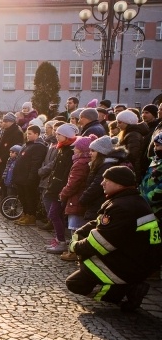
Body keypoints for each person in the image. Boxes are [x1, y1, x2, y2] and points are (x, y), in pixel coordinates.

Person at [66, 166, 161, 312]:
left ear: (120, 183)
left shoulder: (122, 206)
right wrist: (80, 232)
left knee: (76, 283)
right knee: (85, 262)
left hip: (132, 263)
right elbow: (98, 223)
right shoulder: (129, 200)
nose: (102, 183)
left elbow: (100, 243)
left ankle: (128, 290)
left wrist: (75, 246)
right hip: (139, 259)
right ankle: (127, 287)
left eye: (107, 180)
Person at [58, 135, 97, 260]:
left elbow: (73, 183)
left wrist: (63, 194)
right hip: (80, 196)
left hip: (76, 198)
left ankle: (74, 251)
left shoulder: (80, 163)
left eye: (76, 147)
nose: (73, 149)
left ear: (81, 149)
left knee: (75, 228)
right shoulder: (85, 162)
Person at [44, 123, 77, 254]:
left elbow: (66, 173)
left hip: (60, 189)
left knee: (54, 214)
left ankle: (61, 241)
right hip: (55, 186)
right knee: (55, 214)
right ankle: (59, 239)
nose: (56, 136)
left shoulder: (70, 151)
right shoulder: (62, 149)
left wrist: (61, 189)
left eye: (59, 134)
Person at [13, 125, 47, 226]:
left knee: (30, 198)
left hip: (28, 178)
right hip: (21, 177)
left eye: (30, 134)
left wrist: (31, 178)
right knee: (23, 197)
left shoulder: (39, 146)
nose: (27, 135)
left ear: (37, 134)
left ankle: (31, 216)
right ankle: (26, 213)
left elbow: (35, 164)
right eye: (27, 133)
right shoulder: (27, 145)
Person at [0, 113, 24, 203]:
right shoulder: (6, 130)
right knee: (2, 182)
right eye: (4, 121)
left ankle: (5, 203)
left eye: (6, 121)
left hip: (8, 161)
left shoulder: (17, 132)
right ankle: (2, 202)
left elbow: (13, 149)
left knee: (6, 183)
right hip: (0, 161)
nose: (4, 123)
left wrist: (2, 158)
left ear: (12, 122)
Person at [116, 110, 148, 178]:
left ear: (128, 122)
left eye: (119, 122)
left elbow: (132, 154)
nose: (117, 125)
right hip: (130, 167)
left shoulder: (133, 135)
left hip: (131, 169)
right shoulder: (130, 133)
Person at [140, 132, 162, 222]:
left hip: (158, 210)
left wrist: (145, 200)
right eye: (154, 145)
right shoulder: (154, 161)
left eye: (158, 145)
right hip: (147, 208)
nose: (155, 149)